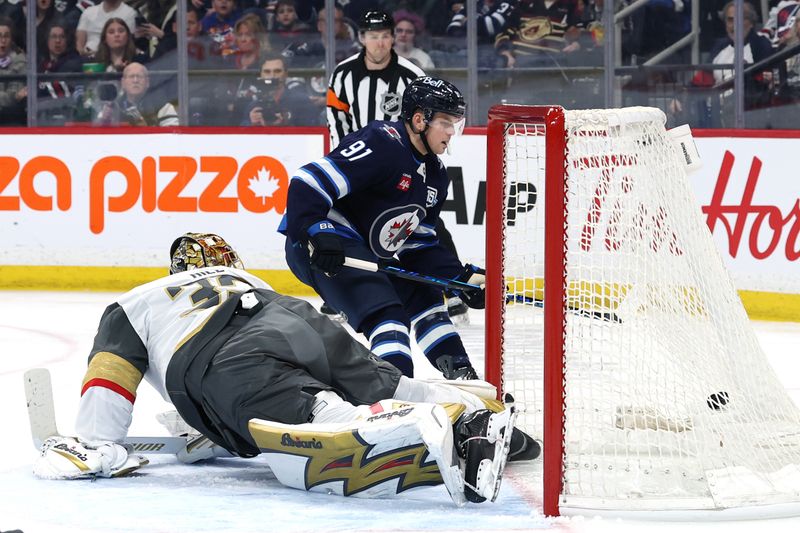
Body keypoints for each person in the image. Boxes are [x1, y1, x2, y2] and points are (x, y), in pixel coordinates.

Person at [32, 232, 539, 504]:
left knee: (317, 407)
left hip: (227, 353)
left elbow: (111, 372)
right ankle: (467, 402)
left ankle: (448, 429)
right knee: (383, 380)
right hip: (294, 315)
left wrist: (96, 442)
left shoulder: (141, 298)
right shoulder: (242, 275)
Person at [280, 76, 485, 381]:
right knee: (388, 315)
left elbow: (419, 244)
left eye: (455, 122)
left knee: (426, 299)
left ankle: (463, 376)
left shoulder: (436, 175)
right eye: (444, 121)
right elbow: (307, 181)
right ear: (419, 119)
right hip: (321, 246)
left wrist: (457, 278)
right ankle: (394, 397)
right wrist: (318, 229)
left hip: (366, 252)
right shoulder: (383, 142)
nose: (452, 131)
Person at [326, 9, 425, 149]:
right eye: (373, 36)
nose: (380, 43)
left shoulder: (413, 76)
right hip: (357, 158)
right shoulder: (342, 74)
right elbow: (337, 120)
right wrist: (344, 155)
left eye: (385, 36)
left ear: (393, 38)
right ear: (362, 38)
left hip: (399, 160)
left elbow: (420, 122)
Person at [243, 54, 317, 126]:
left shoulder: (301, 102)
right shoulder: (253, 106)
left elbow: (314, 133)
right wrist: (251, 125)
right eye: (267, 72)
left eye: (277, 71)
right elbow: (239, 134)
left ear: (286, 74)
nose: (272, 76)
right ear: (261, 75)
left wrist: (285, 126)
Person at [96, 61, 178, 125]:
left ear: (147, 82)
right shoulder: (112, 108)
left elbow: (172, 134)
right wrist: (105, 121)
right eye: (131, 76)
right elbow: (98, 134)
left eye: (139, 76)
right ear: (123, 83)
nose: (135, 80)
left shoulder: (163, 106)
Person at [37, 21, 83, 125]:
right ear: (47, 40)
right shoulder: (42, 65)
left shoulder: (73, 63)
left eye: (62, 37)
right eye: (53, 37)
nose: (58, 41)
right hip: (43, 116)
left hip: (67, 116)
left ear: (67, 40)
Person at [75, 0, 140, 57]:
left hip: (116, 58)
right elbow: (79, 43)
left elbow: (128, 42)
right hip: (88, 59)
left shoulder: (130, 13)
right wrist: (83, 53)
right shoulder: (88, 12)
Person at [0, 17, 26, 126]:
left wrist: (12, 97)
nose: (3, 40)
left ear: (12, 39)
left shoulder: (21, 62)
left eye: (6, 36)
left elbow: (15, 96)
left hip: (11, 121)